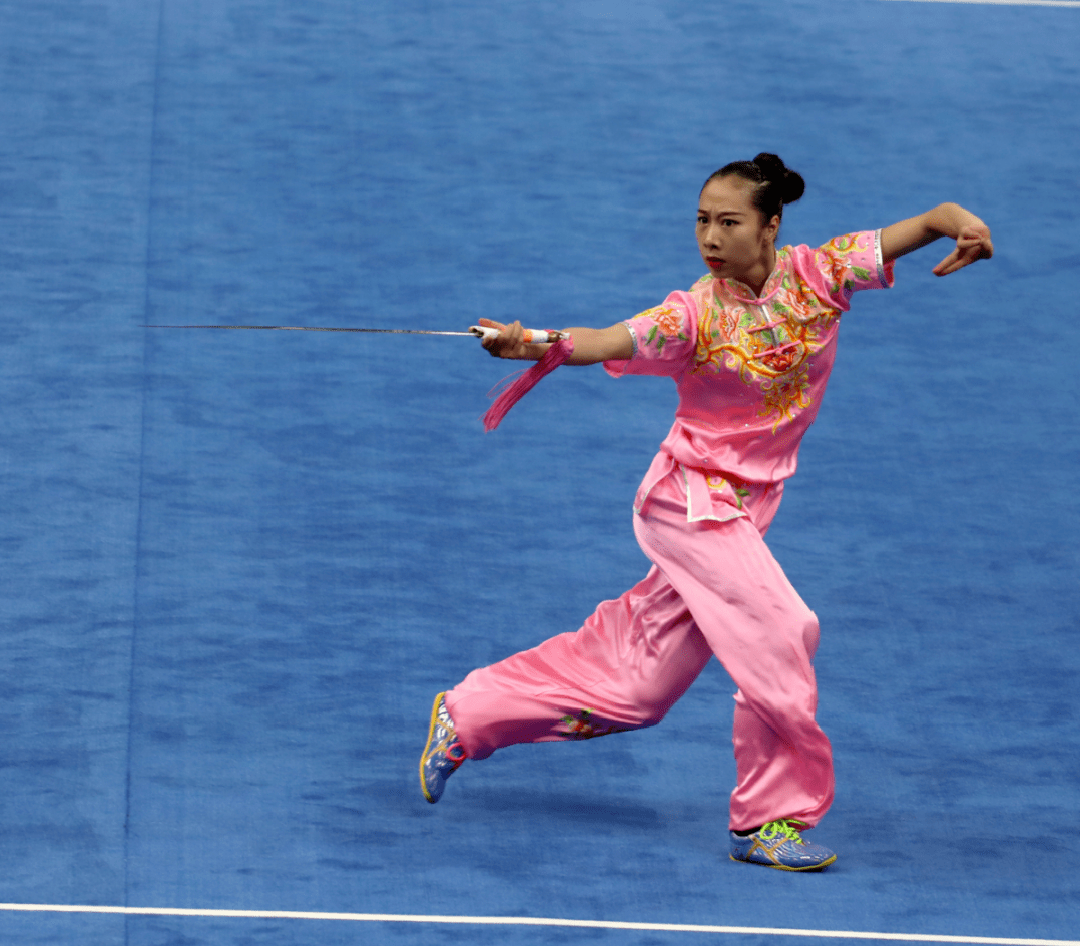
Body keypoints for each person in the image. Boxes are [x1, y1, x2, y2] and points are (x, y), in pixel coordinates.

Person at [419, 153, 993, 871]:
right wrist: (530, 343)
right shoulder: (693, 315)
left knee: (639, 688)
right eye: (701, 222)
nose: (710, 239)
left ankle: (468, 715)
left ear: (771, 226)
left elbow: (918, 226)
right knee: (784, 628)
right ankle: (769, 821)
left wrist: (957, 223)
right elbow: (601, 342)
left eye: (728, 222)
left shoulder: (821, 274)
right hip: (690, 503)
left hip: (747, 507)